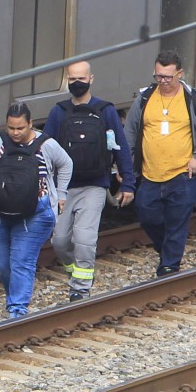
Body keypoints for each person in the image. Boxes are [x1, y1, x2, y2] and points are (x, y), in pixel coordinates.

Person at [0, 104, 73, 319]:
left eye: (20, 128)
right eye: (11, 128)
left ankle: (17, 311)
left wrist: (61, 194)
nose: (15, 133)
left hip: (36, 213)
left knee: (22, 260)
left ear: (30, 124)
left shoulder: (46, 144)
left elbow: (66, 163)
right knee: (3, 264)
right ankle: (14, 297)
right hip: (0, 212)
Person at [43, 59, 136, 301]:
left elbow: (121, 148)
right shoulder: (58, 112)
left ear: (91, 79)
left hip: (95, 185)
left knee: (84, 238)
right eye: (72, 79)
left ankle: (80, 289)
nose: (76, 83)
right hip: (64, 188)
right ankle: (78, 273)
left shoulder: (106, 111)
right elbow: (44, 150)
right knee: (60, 241)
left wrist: (128, 183)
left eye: (81, 79)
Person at [127, 51, 196, 276]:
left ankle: (169, 267)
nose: (163, 81)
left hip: (182, 174)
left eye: (168, 77)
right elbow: (130, 131)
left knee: (178, 221)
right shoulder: (144, 98)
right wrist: (127, 166)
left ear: (180, 73)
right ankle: (167, 249)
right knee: (147, 215)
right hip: (150, 174)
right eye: (159, 76)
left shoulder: (193, 98)